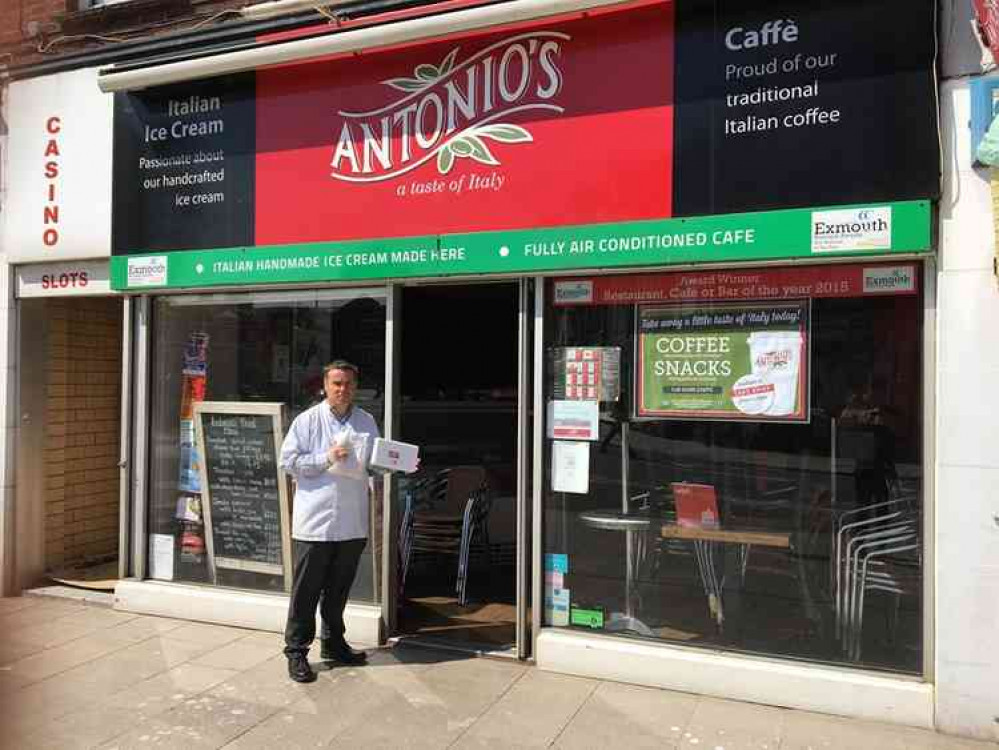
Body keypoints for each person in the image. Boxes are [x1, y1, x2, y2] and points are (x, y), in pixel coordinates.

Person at [279, 359, 380, 683]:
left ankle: (334, 644)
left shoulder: (366, 421)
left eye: (348, 383)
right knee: (306, 592)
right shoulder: (307, 421)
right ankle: (296, 652)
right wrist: (326, 458)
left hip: (351, 520)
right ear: (325, 386)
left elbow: (374, 462)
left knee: (338, 590)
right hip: (316, 521)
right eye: (337, 383)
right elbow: (289, 462)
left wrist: (395, 463)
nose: (343, 389)